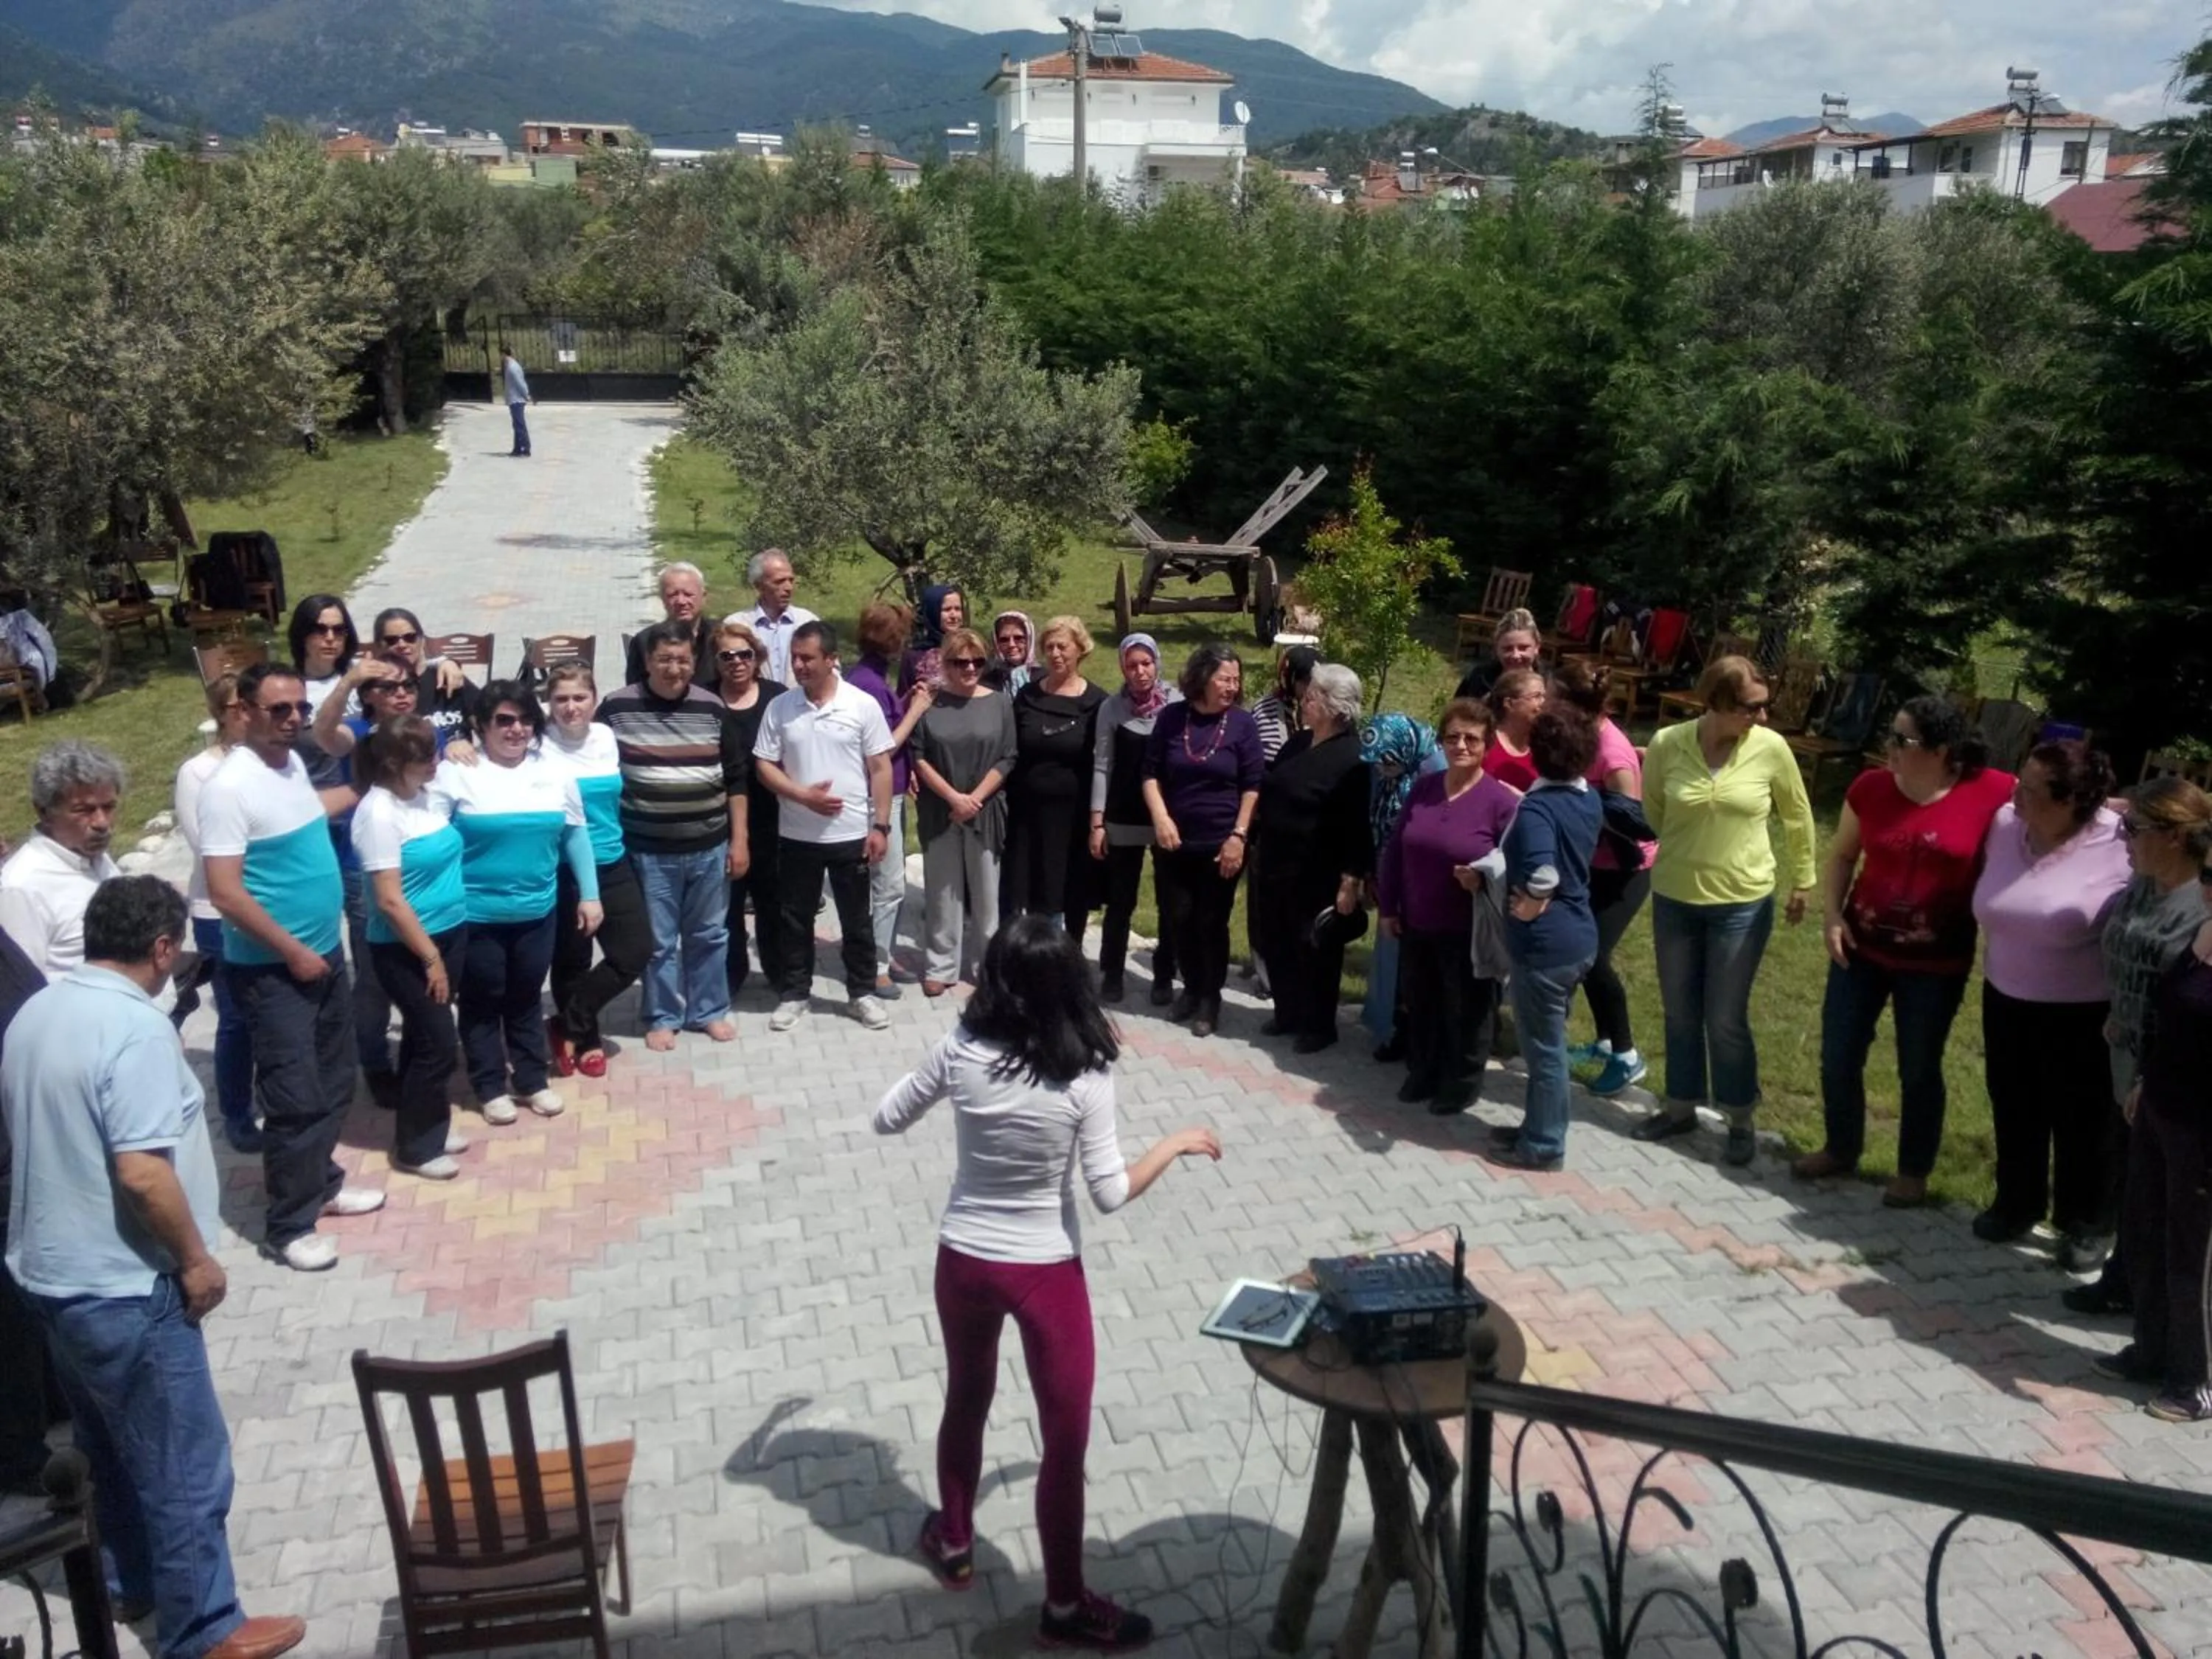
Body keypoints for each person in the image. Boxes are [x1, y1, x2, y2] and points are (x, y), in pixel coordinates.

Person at [874, 916, 1220, 1652]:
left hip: (964, 1263)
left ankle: (954, 1541)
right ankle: (1063, 1607)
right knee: (1065, 1441)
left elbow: (886, 1117)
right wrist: (1173, 1145)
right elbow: (1110, 1193)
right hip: (1045, 1273)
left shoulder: (960, 1050)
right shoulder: (1086, 1076)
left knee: (966, 1398)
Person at [2, 876, 307, 1659]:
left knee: (107, 1448)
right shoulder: (135, 1031)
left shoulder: (39, 1010)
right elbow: (142, 1173)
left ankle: (130, 1581)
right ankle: (203, 1627)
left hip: (52, 1280)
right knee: (185, 1466)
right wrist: (196, 1260)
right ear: (164, 948)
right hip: (127, 1287)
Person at [1793, 696, 2014, 1206]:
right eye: (1890, 734)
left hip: (1936, 964)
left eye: (1902, 739)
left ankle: (1913, 1171)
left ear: (1941, 750)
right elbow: (1843, 855)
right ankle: (1840, 1148)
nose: (1888, 746)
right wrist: (1832, 916)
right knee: (1838, 1054)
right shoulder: (1870, 788)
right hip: (1860, 949)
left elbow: (2057, 800)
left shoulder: (1992, 791)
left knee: (1918, 1066)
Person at [201, 662, 384, 1274]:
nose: (293, 720)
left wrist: (367, 784)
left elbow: (308, 811)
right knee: (293, 1095)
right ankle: (288, 1226)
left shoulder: (290, 765)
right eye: (278, 709)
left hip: (322, 955)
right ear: (243, 712)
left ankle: (321, 1184)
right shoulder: (228, 788)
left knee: (333, 1080)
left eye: (300, 709)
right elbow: (225, 892)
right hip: (275, 969)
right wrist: (292, 951)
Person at [1636, 656, 1818, 1166]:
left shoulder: (1771, 748)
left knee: (1724, 1017)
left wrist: (1804, 879)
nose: (1762, 716)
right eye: (1751, 707)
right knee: (1679, 1011)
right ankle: (1680, 1108)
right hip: (1675, 896)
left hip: (1742, 902)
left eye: (1764, 706)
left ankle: (1739, 1118)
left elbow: (1798, 814)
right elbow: (1654, 810)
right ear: (1716, 701)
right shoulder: (1668, 744)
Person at [1969, 742, 2130, 1256]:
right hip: (2005, 996)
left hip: (2083, 1012)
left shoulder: (2119, 840)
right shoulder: (2005, 824)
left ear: (2071, 801)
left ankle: (2087, 1223)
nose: (2016, 793)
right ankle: (2017, 1203)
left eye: (2031, 789)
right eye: (2020, 780)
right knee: (2014, 1104)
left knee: (2082, 1118)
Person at [2070, 777, 2212, 1318]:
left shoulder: (2200, 905)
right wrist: (2119, 1009)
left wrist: (2150, 1069)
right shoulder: (2142, 884)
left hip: (2172, 1070)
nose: (2124, 837)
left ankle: (2161, 1317)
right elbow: (2128, 953)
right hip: (2125, 1054)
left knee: (2161, 1197)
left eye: (2134, 828)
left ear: (2174, 836)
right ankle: (2125, 1280)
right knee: (2133, 1182)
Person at [439, 681, 599, 1123]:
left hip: (537, 911)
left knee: (526, 996)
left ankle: (531, 1080)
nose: (516, 729)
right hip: (476, 914)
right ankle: (490, 1086)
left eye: (526, 720)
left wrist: (590, 894)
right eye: (504, 720)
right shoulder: (456, 772)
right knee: (482, 999)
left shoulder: (555, 771)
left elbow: (575, 835)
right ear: (481, 725)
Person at [597, 623, 748, 1047]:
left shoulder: (712, 707)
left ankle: (709, 1010)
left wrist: (740, 841)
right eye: (664, 659)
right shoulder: (616, 708)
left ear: (694, 662)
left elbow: (736, 779)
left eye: (683, 659)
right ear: (647, 662)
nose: (674, 668)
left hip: (709, 847)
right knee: (659, 941)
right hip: (648, 851)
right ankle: (662, 1016)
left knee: (709, 935)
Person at [2102, 857, 2212, 1422]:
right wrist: (2145, 1080)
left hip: (2203, 1130)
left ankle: (2196, 1381)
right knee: (2144, 1231)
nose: (2208, 889)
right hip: (2161, 1107)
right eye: (2209, 875)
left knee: (2192, 1257)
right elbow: (2175, 1022)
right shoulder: (2204, 931)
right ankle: (2152, 1350)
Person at [1375, 700, 1518, 1112]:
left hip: (1468, 928)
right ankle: (1423, 1071)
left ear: (1487, 745)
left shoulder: (1500, 802)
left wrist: (1482, 878)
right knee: (1422, 1002)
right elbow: (1396, 850)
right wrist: (1388, 908)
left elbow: (1515, 866)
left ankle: (1461, 1083)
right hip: (1417, 919)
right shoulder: (1425, 787)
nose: (1461, 746)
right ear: (1441, 741)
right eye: (1453, 737)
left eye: (1472, 738)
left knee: (1467, 1009)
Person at [754, 621, 897, 1033]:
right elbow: (764, 764)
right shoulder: (781, 707)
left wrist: (881, 826)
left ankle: (861, 994)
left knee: (856, 920)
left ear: (831, 659)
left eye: (807, 658)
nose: (798, 665)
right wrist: (801, 795)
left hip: (851, 835)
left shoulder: (861, 705)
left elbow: (880, 768)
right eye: (795, 658)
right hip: (797, 836)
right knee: (796, 919)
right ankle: (796, 994)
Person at [350, 717, 472, 1180]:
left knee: (422, 1039)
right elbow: (389, 900)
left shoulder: (422, 795)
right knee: (439, 1043)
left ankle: (429, 1124)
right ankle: (416, 1149)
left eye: (434, 751)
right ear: (393, 763)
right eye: (424, 757)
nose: (435, 762)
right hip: (408, 948)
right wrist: (430, 957)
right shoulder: (378, 814)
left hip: (449, 933)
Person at [1483, 709, 1604, 1171]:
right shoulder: (1587, 797)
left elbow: (1544, 872)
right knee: (1546, 1043)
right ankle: (1537, 1125)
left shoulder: (1538, 809)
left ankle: (1544, 1145)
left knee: (1545, 1052)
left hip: (1546, 948)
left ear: (1535, 752)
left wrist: (1532, 902)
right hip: (1579, 938)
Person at [1141, 644, 1264, 1039]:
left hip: (1221, 843)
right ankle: (1191, 988)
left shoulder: (1243, 724)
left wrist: (1239, 836)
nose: (1233, 686)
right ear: (1202, 678)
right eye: (1225, 679)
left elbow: (1253, 785)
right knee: (1178, 918)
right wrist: (1161, 818)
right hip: (1174, 842)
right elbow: (1150, 773)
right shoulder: (1172, 718)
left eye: (1236, 680)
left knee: (1211, 922)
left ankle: (1211, 998)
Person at [1249, 664, 1371, 1052]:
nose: (1305, 699)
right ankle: (1287, 1013)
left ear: (1336, 706)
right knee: (1277, 940)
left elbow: (1358, 825)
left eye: (1314, 695)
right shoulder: (1300, 742)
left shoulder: (1354, 758)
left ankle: (1319, 1026)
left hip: (1317, 872)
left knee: (1315, 948)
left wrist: (1351, 880)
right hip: (1275, 863)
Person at [541, 665, 651, 1080]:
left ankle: (566, 1023)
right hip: (563, 870)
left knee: (634, 951)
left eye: (579, 697)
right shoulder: (537, 743)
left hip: (612, 859)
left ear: (594, 699)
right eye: (561, 699)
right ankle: (586, 1040)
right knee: (573, 959)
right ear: (548, 704)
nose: (571, 707)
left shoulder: (605, 736)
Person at [1556, 658, 1655, 1096]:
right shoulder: (1579, 735)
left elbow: (1631, 824)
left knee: (1592, 956)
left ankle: (1627, 1056)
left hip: (1626, 869)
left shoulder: (1613, 755)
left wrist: (1578, 811)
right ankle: (1605, 1042)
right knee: (1584, 952)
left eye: (1554, 699)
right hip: (1592, 862)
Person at [174, 678, 258, 1152]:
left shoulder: (269, 759)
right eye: (236, 706)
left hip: (271, 903)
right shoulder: (198, 772)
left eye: (251, 704)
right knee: (235, 1014)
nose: (246, 713)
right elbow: (205, 845)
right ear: (220, 713)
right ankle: (237, 1112)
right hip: (218, 909)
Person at [911, 630, 1018, 996]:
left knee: (987, 896)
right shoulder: (931, 702)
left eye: (977, 661)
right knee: (943, 891)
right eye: (960, 662)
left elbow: (1008, 756)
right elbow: (919, 756)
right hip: (939, 810)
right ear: (946, 664)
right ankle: (940, 965)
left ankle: (987, 967)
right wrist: (953, 798)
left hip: (984, 809)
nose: (970, 668)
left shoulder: (1000, 703)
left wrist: (973, 799)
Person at [843, 605, 931, 998]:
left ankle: (884, 952)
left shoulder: (867, 676)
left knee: (884, 883)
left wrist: (904, 700)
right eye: (902, 635)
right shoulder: (871, 684)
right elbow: (883, 746)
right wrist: (916, 710)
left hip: (885, 792)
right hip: (880, 796)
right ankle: (876, 966)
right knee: (889, 884)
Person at [1089, 633, 1182, 1005]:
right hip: (1123, 815)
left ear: (1157, 662)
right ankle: (1112, 972)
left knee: (1169, 900)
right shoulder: (1111, 709)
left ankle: (1164, 974)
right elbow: (1102, 765)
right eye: (1132, 665)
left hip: (1166, 817)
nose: (1140, 672)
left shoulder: (1178, 704)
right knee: (1121, 901)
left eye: (1146, 663)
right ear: (1122, 669)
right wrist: (1097, 823)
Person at [1004, 617, 1107, 939]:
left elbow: (1103, 762)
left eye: (1063, 646)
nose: (1055, 654)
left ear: (1080, 649)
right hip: (1028, 813)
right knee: (1031, 889)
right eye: (1049, 647)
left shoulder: (1097, 702)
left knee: (1071, 889)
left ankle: (1069, 954)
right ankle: (1036, 954)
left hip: (1072, 816)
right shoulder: (1028, 696)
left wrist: (1098, 821)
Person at [709, 619, 790, 1001]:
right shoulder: (705, 699)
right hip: (718, 819)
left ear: (756, 657)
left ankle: (778, 970)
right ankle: (731, 972)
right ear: (716, 662)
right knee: (727, 905)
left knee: (774, 901)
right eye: (726, 656)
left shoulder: (777, 697)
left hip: (773, 817)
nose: (737, 662)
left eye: (744, 654)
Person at [0, 739, 126, 980]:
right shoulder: (22, 888)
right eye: (84, 810)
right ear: (44, 812)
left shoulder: (94, 858)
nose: (102, 823)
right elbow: (22, 989)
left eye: (109, 807)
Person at [1359, 714, 1441, 1061]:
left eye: (1388, 763)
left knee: (1418, 967)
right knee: (1394, 961)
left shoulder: (1435, 774)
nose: (1382, 769)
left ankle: (1417, 1038)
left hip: (1424, 888)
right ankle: (1395, 1029)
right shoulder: (1388, 772)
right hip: (1391, 882)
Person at [364, 608, 481, 748]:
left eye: (410, 637)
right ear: (378, 646)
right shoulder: (376, 688)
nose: (402, 645)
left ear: (422, 641)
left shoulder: (448, 676)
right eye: (391, 640)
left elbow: (488, 725)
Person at [622, 563, 715, 689]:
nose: (681, 601)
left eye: (688, 594)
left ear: (703, 597)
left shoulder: (720, 637)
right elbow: (634, 691)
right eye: (673, 595)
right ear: (662, 599)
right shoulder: (644, 641)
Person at [741, 549, 818, 686]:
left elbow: (830, 670)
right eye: (779, 581)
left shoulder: (808, 622)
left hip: (801, 699)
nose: (788, 587)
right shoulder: (739, 625)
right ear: (759, 586)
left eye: (791, 580)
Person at [1455, 608, 1543, 702]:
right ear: (1497, 649)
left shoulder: (1549, 687)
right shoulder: (1478, 679)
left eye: (1523, 648)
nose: (1515, 655)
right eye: (1508, 649)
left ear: (1537, 647)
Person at [1251, 641, 1319, 764]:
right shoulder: (1265, 711)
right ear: (1289, 679)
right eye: (1306, 681)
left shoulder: (1325, 708)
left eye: (1317, 681)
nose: (1312, 687)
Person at [1482, 668, 1545, 793]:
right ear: (1510, 703)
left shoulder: (1544, 746)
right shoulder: (1485, 743)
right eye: (1536, 696)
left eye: (1544, 696)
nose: (1544, 702)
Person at [902, 585, 967, 695]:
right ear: (933, 612)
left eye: (957, 609)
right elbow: (904, 697)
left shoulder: (970, 649)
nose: (954, 615)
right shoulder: (915, 657)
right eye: (947, 610)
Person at [986, 610, 1037, 695]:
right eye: (1004, 640)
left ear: (1029, 639)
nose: (1011, 645)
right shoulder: (988, 682)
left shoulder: (1044, 680)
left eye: (1018, 638)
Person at [502, 346, 532, 457]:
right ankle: (517, 448)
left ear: (504, 354)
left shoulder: (512, 368)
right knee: (517, 425)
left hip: (516, 399)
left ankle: (525, 448)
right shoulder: (512, 366)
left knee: (520, 425)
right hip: (514, 399)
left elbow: (520, 383)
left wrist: (526, 395)